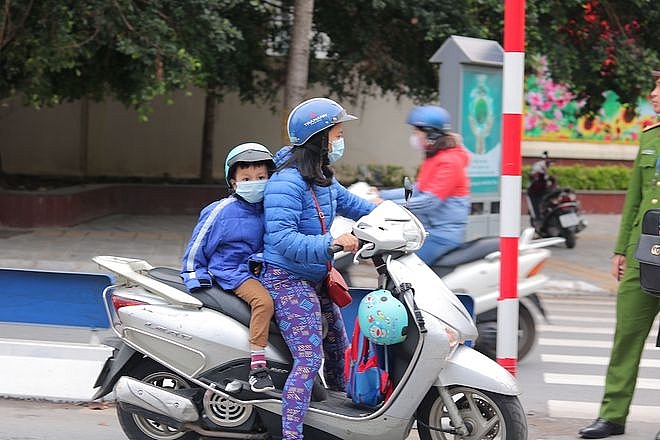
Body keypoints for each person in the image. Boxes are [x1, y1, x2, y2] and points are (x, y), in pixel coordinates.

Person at [261, 97, 377, 440]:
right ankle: (292, 434)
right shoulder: (287, 183)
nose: (341, 139)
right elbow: (283, 240)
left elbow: (351, 203)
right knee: (309, 359)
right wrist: (333, 243)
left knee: (340, 348)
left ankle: (340, 420)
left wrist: (388, 211)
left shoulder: (321, 176)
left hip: (314, 275)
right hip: (286, 279)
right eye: (338, 132)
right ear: (321, 137)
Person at [578, 67, 660, 439]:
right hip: (644, 254)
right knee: (626, 335)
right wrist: (620, 250)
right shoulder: (650, 139)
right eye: (654, 85)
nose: (654, 94)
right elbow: (635, 201)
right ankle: (612, 415)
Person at [180, 142, 276, 393]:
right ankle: (258, 367)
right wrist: (194, 276)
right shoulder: (220, 211)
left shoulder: (271, 208)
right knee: (263, 303)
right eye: (246, 178)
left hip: (262, 270)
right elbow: (197, 244)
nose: (254, 182)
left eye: (261, 177)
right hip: (232, 271)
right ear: (233, 182)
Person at [375, 105, 470, 265]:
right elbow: (418, 189)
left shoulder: (449, 162)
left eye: (416, 132)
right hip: (427, 230)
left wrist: (386, 205)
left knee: (403, 268)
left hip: (441, 235)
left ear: (431, 134)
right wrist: (380, 193)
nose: (414, 137)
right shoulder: (436, 157)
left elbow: (429, 202)